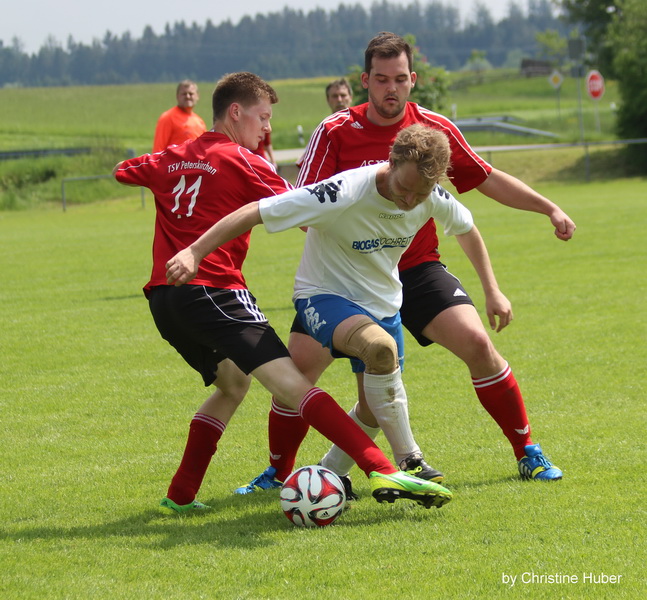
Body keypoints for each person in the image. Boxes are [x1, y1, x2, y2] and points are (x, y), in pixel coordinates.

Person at [238, 32, 574, 497]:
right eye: (381, 79)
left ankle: (527, 451)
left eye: (399, 79)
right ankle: (279, 473)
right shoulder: (335, 130)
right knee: (296, 376)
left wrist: (548, 208)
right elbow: (303, 205)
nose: (390, 88)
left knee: (479, 343)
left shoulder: (432, 131)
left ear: (412, 79)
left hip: (415, 268)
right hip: (344, 278)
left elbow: (485, 178)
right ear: (365, 81)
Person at [113, 71, 451, 514]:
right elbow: (301, 207)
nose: (267, 127)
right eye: (263, 117)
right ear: (236, 112)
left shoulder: (173, 156)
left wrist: (179, 162)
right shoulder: (245, 160)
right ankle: (382, 468)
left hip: (163, 298)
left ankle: (179, 497)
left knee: (232, 384)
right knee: (294, 385)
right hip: (213, 289)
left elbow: (123, 172)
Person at [152, 80, 207, 153]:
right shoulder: (168, 117)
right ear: (177, 96)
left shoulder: (200, 122)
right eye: (184, 94)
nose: (187, 97)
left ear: (197, 96)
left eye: (191, 94)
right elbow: (158, 150)